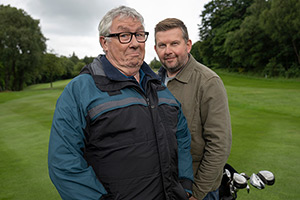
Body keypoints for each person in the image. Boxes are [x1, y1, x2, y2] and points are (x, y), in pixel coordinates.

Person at [48, 6, 194, 200]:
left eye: (139, 35)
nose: (134, 43)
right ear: (104, 42)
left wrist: (184, 185)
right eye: (124, 35)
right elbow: (63, 162)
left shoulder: (159, 86)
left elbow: (182, 137)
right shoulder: (80, 90)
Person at [154, 18, 232, 200]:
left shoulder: (208, 82)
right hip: (161, 186)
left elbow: (219, 145)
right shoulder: (153, 82)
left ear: (188, 45)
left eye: (174, 43)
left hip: (197, 191)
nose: (168, 51)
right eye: (162, 45)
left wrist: (196, 193)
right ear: (156, 49)